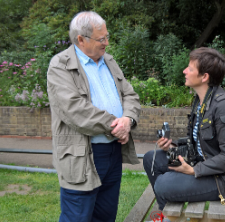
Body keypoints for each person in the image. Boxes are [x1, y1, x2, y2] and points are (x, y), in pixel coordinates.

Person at [143, 47, 225, 211]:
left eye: (190, 68)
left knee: (163, 185)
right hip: (205, 161)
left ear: (204, 77)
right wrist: (172, 146)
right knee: (151, 158)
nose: (184, 71)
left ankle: (168, 211)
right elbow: (201, 143)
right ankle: (167, 214)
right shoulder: (201, 101)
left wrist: (194, 170)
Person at [46, 11, 142, 222]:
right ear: (81, 39)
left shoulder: (108, 60)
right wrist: (116, 126)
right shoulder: (59, 65)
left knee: (106, 216)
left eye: (106, 36)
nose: (106, 42)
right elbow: (75, 110)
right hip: (82, 155)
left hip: (113, 151)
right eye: (101, 39)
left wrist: (128, 120)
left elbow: (130, 95)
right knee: (78, 217)